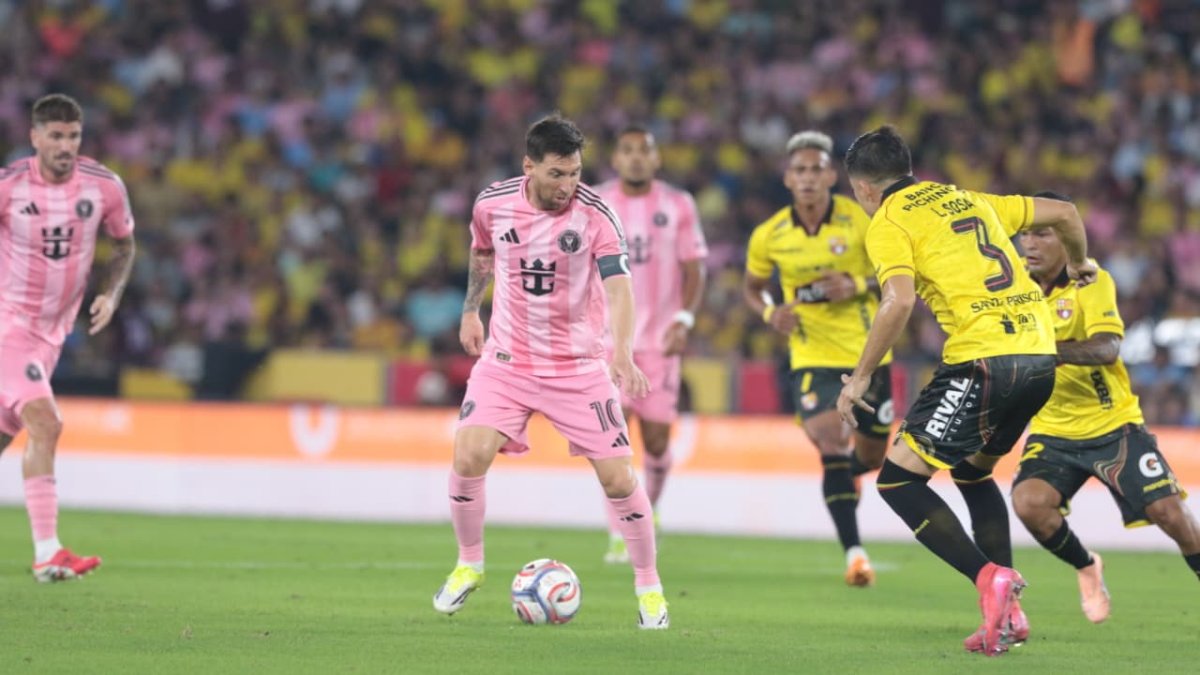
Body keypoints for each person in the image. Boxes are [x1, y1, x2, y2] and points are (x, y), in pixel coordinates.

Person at [835, 126, 1096, 655]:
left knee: (897, 482)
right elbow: (1067, 214)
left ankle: (990, 578)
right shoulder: (968, 198)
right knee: (973, 473)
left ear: (863, 188)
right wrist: (1077, 262)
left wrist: (860, 376)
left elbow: (898, 301)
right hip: (1039, 358)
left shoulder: (888, 221)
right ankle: (1009, 613)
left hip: (983, 361)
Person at [432, 115, 668, 629]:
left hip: (578, 367)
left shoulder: (596, 216)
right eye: (557, 174)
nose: (568, 185)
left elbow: (620, 288)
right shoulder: (492, 204)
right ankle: (469, 564)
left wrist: (622, 353)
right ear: (530, 166)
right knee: (468, 454)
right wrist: (471, 311)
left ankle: (649, 588)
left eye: (575, 173)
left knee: (619, 478)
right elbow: (481, 251)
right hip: (508, 361)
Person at [1011, 191, 1200, 625]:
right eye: (1025, 235)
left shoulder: (1091, 280)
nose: (1030, 244)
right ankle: (1086, 566)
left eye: (1042, 235)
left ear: (1067, 239)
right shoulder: (1013, 283)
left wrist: (1044, 353)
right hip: (1053, 429)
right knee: (1028, 504)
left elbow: (1107, 348)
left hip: (1113, 425)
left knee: (1169, 514)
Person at [741, 130, 893, 587]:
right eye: (799, 170)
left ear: (831, 176)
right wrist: (771, 313)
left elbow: (900, 278)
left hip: (869, 356)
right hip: (811, 356)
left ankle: (848, 476)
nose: (808, 177)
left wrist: (857, 285)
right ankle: (856, 556)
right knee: (831, 442)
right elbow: (752, 289)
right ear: (788, 178)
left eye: (816, 169)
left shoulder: (862, 220)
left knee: (870, 455)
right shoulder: (770, 235)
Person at [0, 93, 136, 582]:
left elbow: (124, 245)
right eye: (55, 136)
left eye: (73, 136)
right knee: (47, 422)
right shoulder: (9, 186)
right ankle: (47, 553)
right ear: (35, 137)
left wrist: (111, 295)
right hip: (8, 326)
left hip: (51, 338)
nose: (65, 145)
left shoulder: (104, 186)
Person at [593, 125, 708, 564]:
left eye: (645, 151)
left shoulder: (677, 204)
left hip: (660, 342)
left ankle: (649, 507)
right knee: (612, 437)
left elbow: (694, 267)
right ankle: (620, 530)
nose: (637, 158)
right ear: (616, 159)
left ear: (657, 159)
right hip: (607, 340)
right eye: (628, 150)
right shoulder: (596, 202)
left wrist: (684, 319)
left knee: (657, 441)